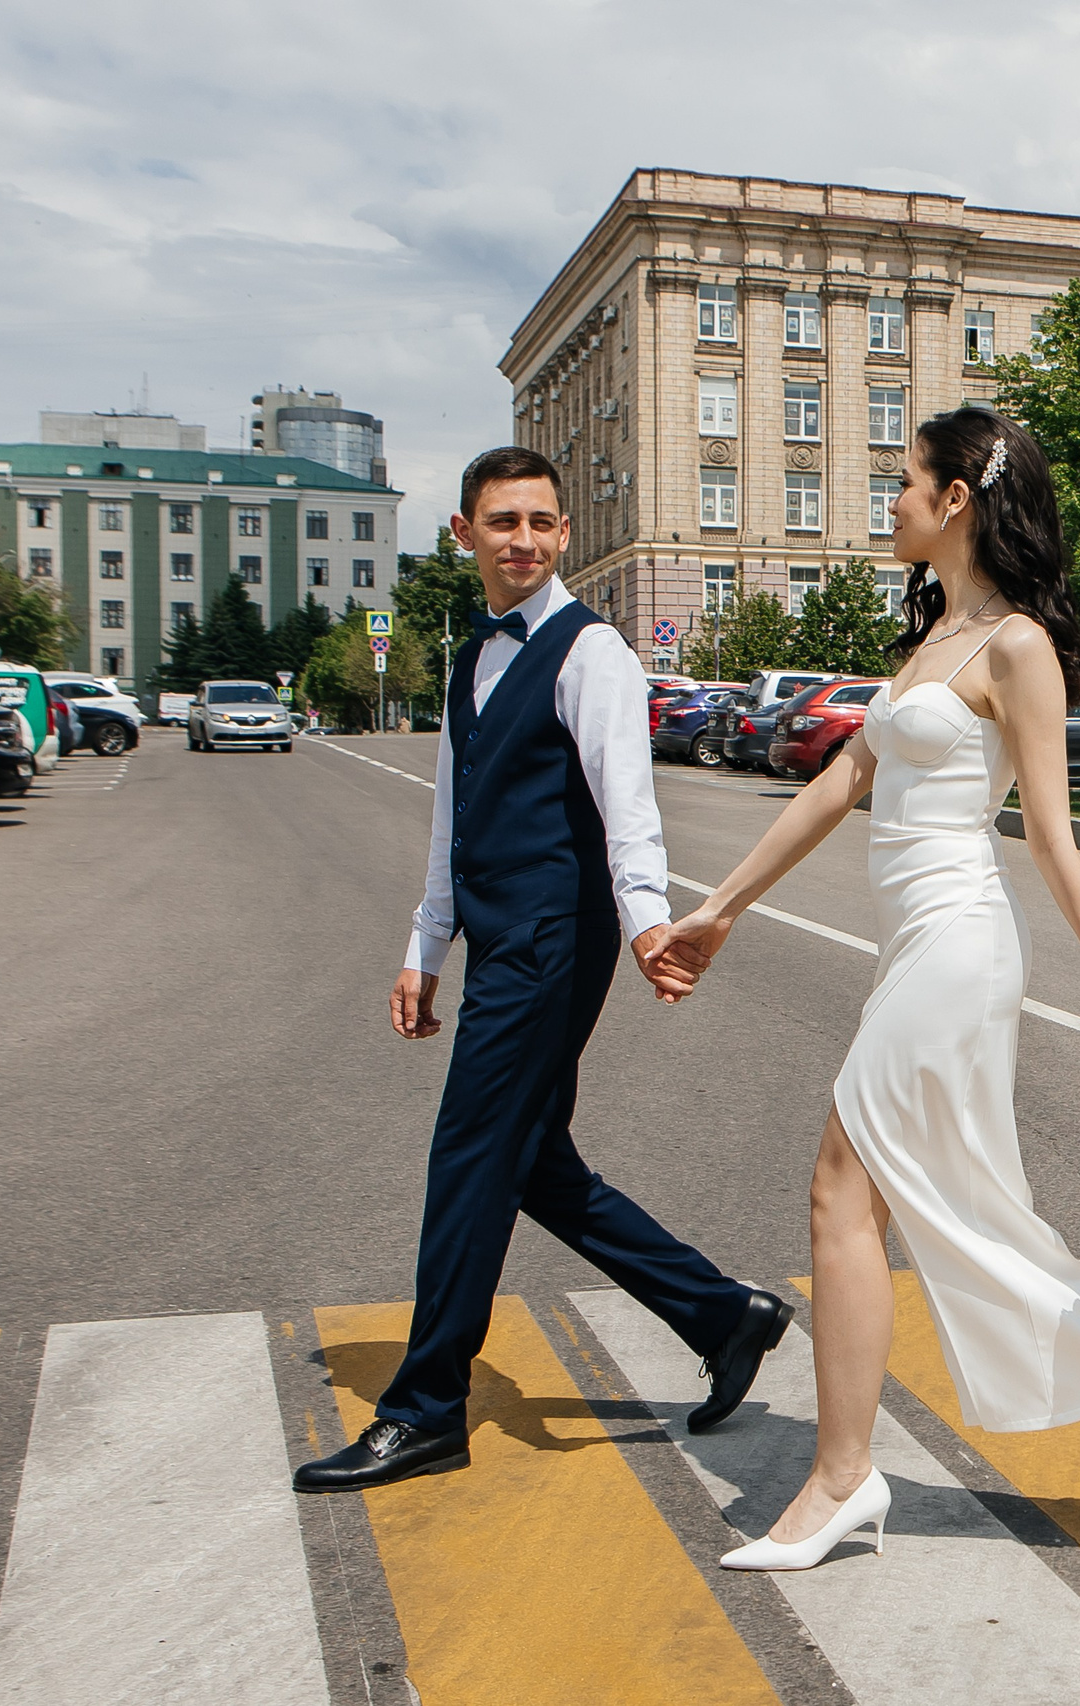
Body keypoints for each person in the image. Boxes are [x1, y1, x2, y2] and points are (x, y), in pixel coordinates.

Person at [652, 408, 1080, 1569]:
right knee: (954, 1211)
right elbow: (832, 789)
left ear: (958, 497)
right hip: (911, 946)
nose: (894, 503)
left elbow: (1055, 840)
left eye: (906, 483)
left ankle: (839, 1478)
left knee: (839, 1190)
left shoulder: (1015, 647)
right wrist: (719, 908)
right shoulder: (928, 644)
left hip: (962, 943)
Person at [294, 446, 793, 1496]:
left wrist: (650, 923)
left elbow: (628, 801)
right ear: (463, 533)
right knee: (528, 1162)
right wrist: (423, 945)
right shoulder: (470, 657)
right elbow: (453, 813)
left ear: (563, 535)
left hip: (554, 942)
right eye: (502, 520)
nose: (522, 538)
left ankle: (426, 1405)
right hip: (497, 935)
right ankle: (721, 1310)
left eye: (540, 522)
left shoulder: (591, 649)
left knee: (468, 1157)